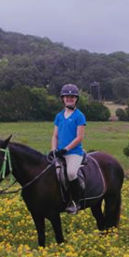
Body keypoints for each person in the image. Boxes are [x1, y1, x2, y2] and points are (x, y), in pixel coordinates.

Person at [51, 83, 86, 214]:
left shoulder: (79, 116)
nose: (69, 99)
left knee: (71, 173)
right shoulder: (59, 116)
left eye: (72, 97)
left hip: (74, 153)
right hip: (59, 152)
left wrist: (65, 149)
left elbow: (79, 138)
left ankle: (75, 202)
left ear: (76, 99)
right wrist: (54, 149)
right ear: (63, 98)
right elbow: (55, 135)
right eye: (67, 97)